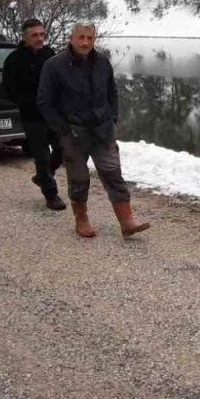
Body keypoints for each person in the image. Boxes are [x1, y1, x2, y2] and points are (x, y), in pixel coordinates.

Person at [37, 22, 149, 239]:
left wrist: (113, 117)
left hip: (103, 129)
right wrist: (62, 129)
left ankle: (127, 222)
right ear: (72, 38)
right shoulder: (54, 66)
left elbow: (112, 92)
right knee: (79, 178)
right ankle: (82, 220)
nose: (85, 42)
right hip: (74, 132)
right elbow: (44, 102)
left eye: (90, 37)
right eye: (81, 37)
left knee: (113, 173)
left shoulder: (103, 62)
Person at [3, 18, 65, 211]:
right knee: (42, 155)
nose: (39, 38)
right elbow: (10, 91)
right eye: (34, 35)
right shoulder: (13, 60)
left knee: (62, 149)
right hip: (32, 115)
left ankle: (41, 177)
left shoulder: (50, 54)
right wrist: (32, 101)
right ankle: (51, 194)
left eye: (42, 34)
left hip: (54, 114)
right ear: (25, 37)